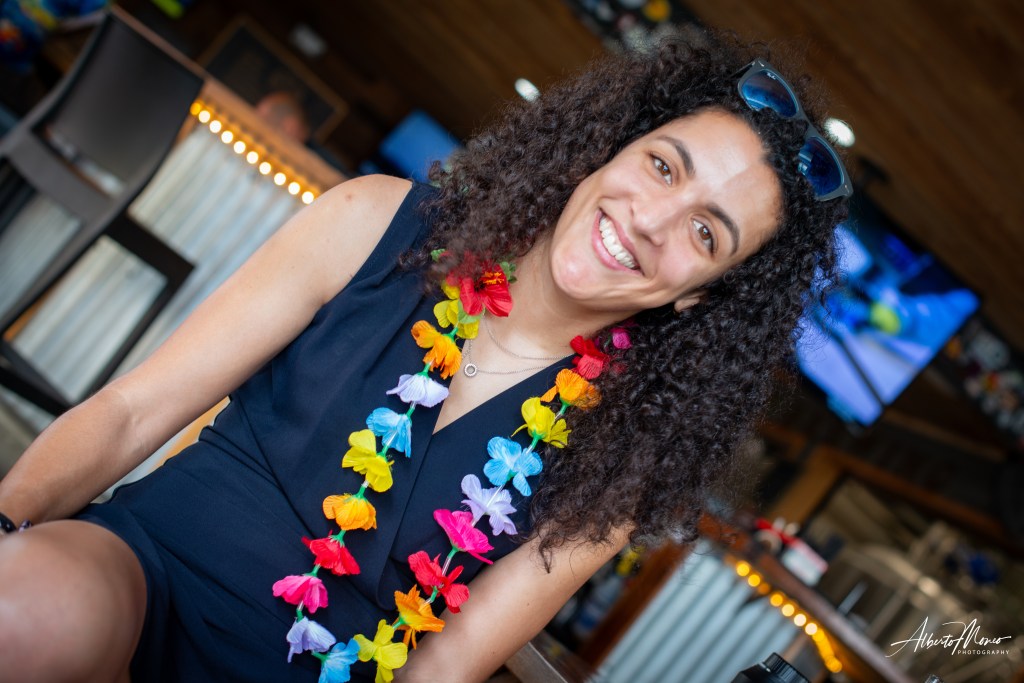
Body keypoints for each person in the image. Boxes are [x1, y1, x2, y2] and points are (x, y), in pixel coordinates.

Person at [0, 30, 849, 683]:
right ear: (614, 147)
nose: (652, 220)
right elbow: (130, 413)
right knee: (31, 613)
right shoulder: (378, 222)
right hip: (140, 570)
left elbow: (443, 667)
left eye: (706, 233)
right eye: (662, 166)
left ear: (702, 294)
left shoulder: (620, 465)